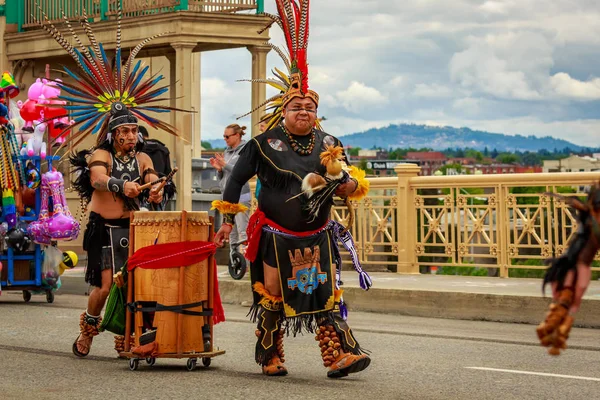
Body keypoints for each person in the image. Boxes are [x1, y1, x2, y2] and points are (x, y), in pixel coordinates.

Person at [212, 0, 372, 379]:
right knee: (274, 292)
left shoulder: (329, 141)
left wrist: (345, 183)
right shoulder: (264, 143)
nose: (304, 111)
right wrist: (225, 221)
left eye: (310, 107)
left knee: (324, 293)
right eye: (297, 106)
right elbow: (235, 181)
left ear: (317, 113)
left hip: (316, 233)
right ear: (284, 111)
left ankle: (339, 356)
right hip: (274, 233)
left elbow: (348, 182)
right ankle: (270, 355)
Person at [35, 10, 185, 357]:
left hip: (135, 228)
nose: (132, 136)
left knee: (138, 284)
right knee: (105, 287)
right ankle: (89, 329)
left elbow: (150, 182)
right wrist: (122, 186)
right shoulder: (100, 154)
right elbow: (98, 179)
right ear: (114, 133)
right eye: (126, 131)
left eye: (135, 130)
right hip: (105, 229)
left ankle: (128, 337)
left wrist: (156, 189)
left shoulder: (145, 157)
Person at [210, 124, 251, 250]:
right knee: (230, 233)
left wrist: (225, 165)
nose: (225, 139)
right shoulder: (226, 152)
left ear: (237, 135)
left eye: (227, 136)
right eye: (224, 137)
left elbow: (243, 172)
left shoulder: (245, 151)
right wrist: (220, 170)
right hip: (227, 197)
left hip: (241, 196)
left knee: (242, 231)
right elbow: (224, 176)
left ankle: (247, 264)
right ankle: (234, 264)